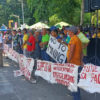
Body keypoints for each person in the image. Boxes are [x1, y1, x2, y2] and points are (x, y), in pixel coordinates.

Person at [67, 26, 83, 100]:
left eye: (69, 31)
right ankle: (75, 95)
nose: (68, 32)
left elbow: (71, 51)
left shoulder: (73, 39)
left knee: (74, 81)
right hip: (77, 63)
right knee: (74, 80)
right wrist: (81, 60)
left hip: (73, 63)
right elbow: (82, 52)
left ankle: (76, 98)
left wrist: (68, 61)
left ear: (72, 32)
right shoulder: (78, 39)